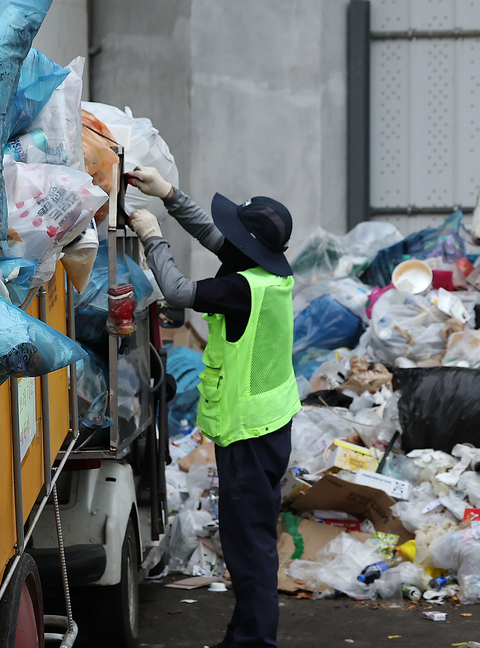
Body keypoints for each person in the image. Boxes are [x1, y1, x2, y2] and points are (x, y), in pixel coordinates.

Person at [126, 166, 301, 648]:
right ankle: (243, 636)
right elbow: (211, 233)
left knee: (250, 549)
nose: (227, 236)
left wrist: (153, 238)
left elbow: (179, 292)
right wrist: (169, 195)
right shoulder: (266, 275)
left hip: (249, 433)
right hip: (270, 426)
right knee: (251, 541)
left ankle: (254, 642)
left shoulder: (243, 289)